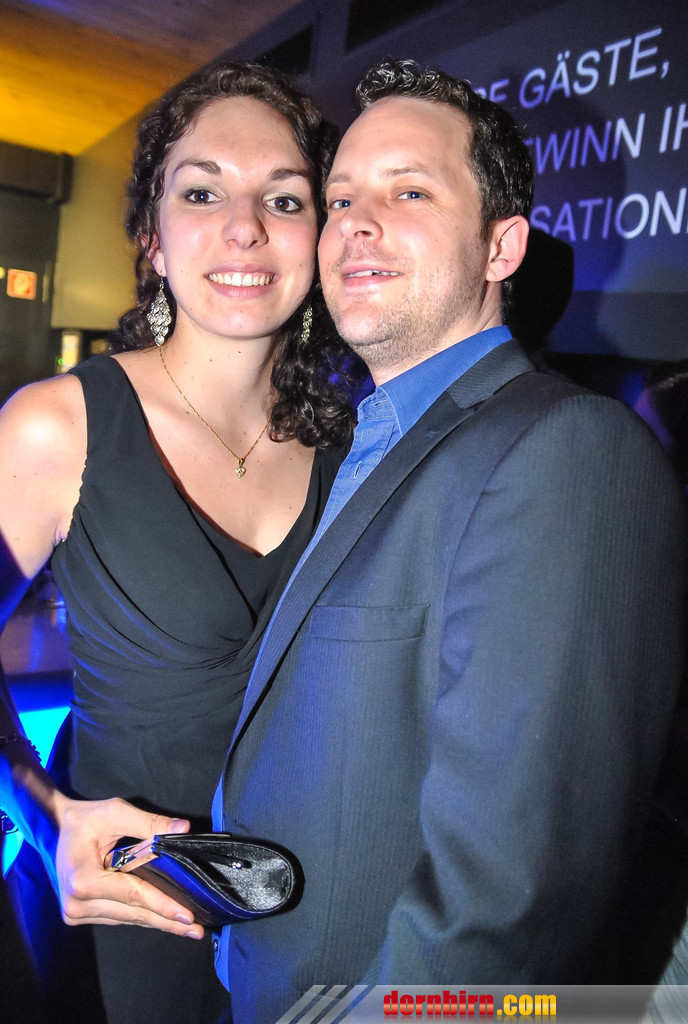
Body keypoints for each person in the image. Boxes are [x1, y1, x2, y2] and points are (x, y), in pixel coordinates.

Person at [213, 59, 688, 1021]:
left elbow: (508, 907)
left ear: (501, 246)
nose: (356, 222)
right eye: (342, 197)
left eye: (410, 191)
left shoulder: (569, 451)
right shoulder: (362, 445)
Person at [0, 58, 362, 1023]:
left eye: (283, 198)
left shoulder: (356, 443)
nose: (244, 227)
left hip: (301, 912)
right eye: (202, 192)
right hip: (126, 918)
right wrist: (44, 815)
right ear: (153, 240)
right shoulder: (58, 425)